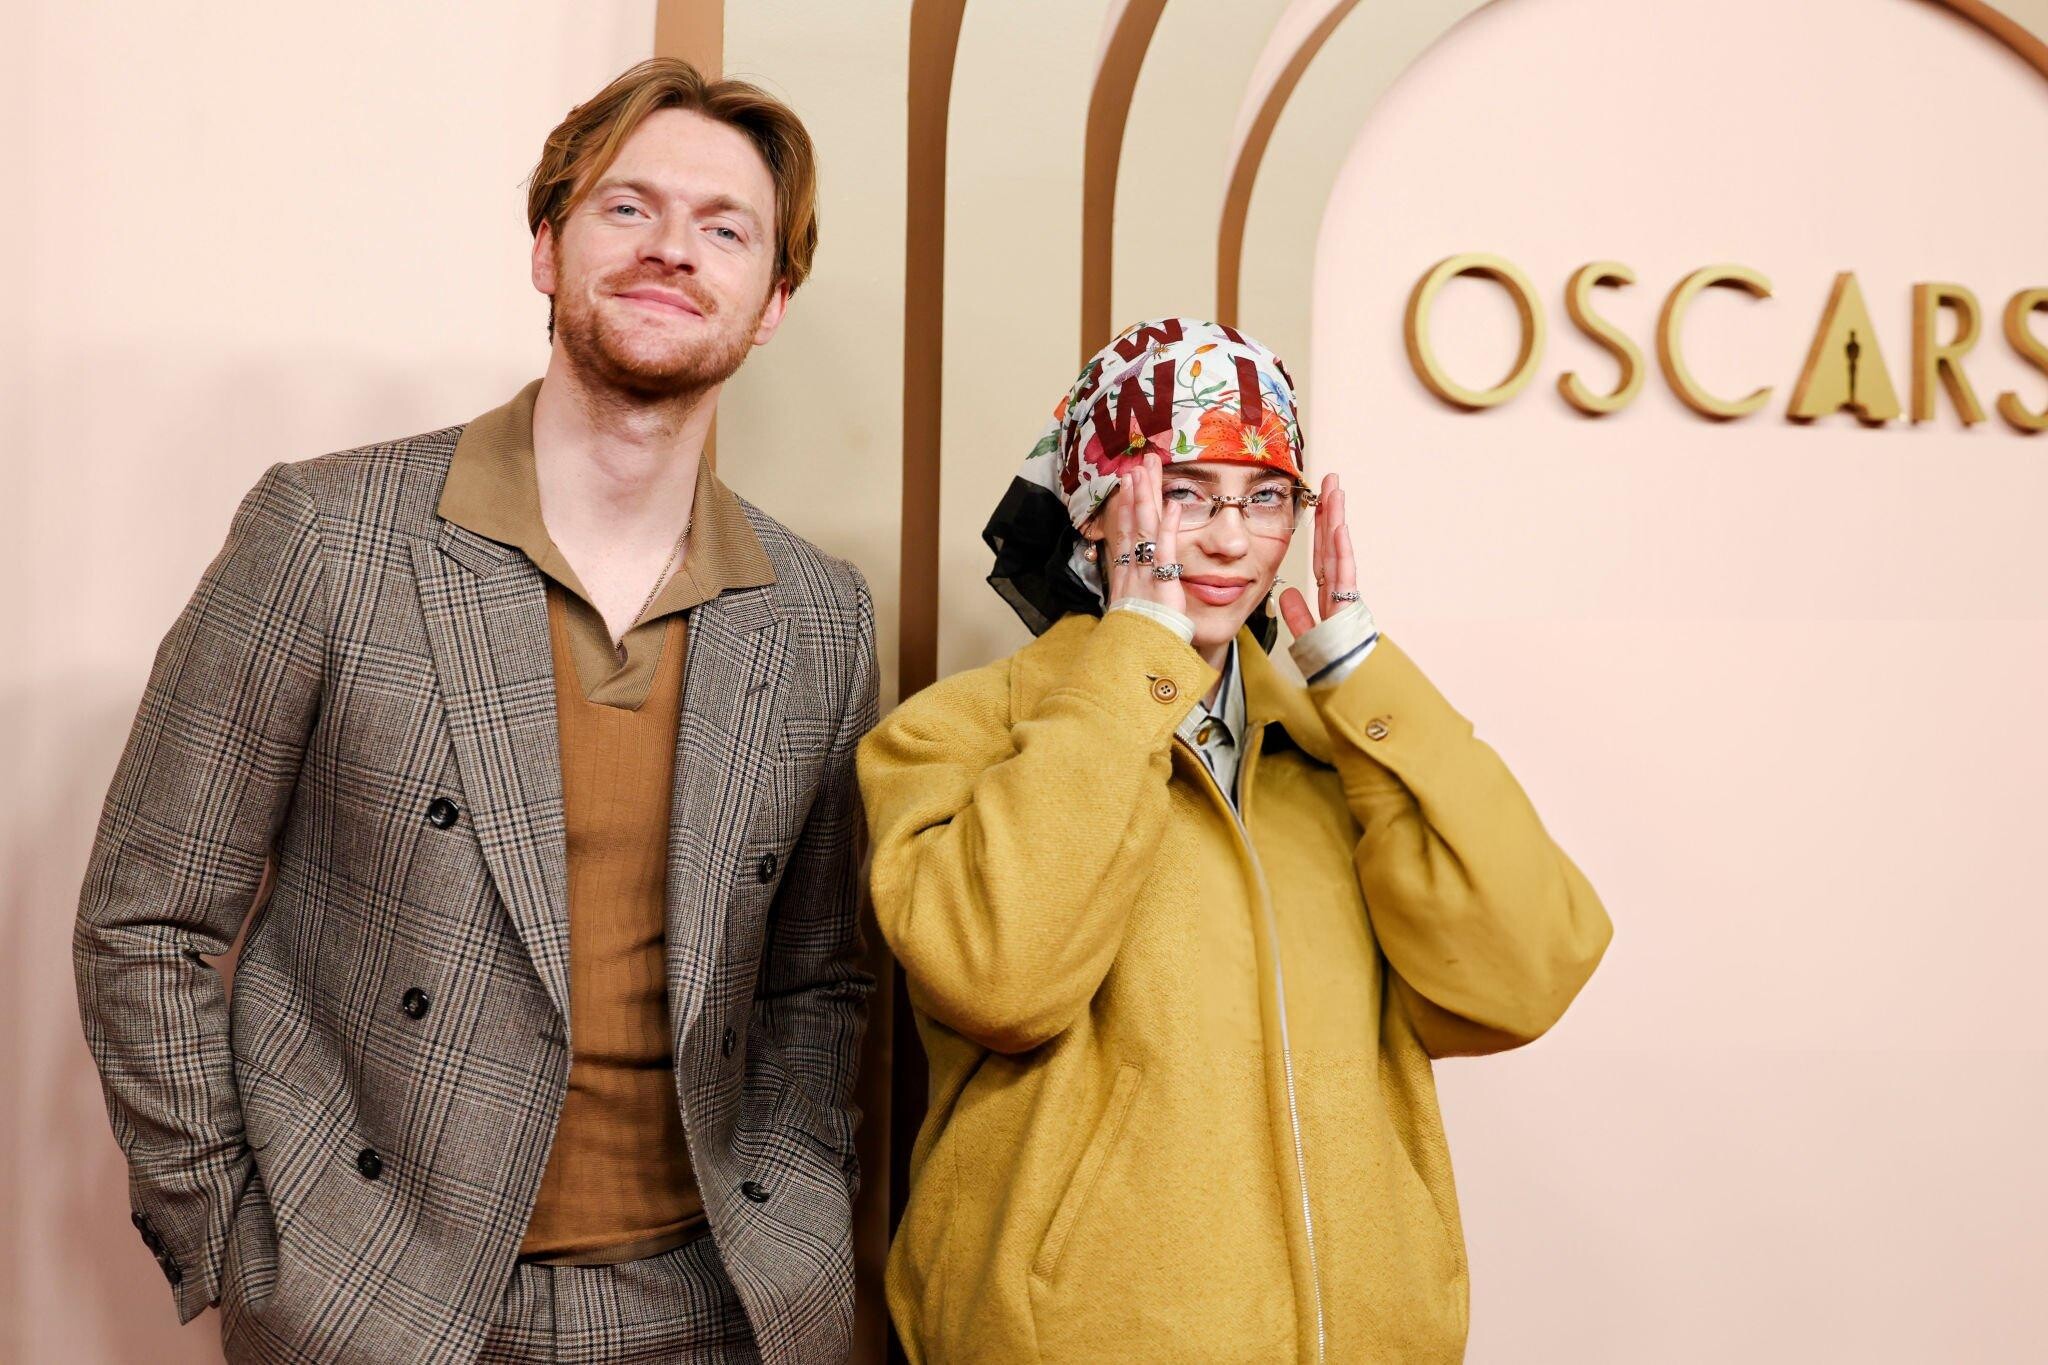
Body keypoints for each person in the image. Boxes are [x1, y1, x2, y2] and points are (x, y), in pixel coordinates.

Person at [73, 59, 873, 1365]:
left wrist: (801, 1223)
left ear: (771, 302)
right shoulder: (328, 534)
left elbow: (816, 981)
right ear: (547, 247)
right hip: (379, 1310)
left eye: (726, 230)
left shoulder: (819, 616)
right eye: (629, 208)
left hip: (715, 1309)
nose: (674, 249)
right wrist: (236, 1245)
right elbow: (145, 917)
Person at [858, 318, 1613, 1362]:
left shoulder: (1339, 751)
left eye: (1264, 498)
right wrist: (1139, 656)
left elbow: (1521, 980)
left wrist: (1360, 677)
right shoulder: (950, 735)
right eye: (1184, 493)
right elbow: (1000, 979)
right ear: (1093, 512)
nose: (1228, 540)